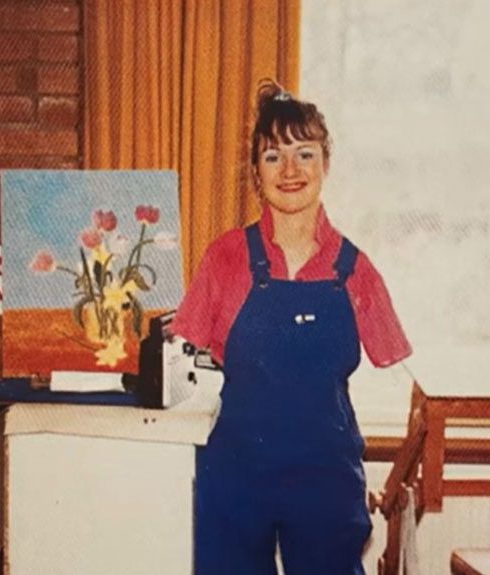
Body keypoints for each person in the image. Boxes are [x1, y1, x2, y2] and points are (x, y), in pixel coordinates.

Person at [171, 80, 412, 575]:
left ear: (326, 163)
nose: (291, 170)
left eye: (305, 154)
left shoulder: (355, 269)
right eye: (273, 156)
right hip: (237, 476)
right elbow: (182, 356)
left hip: (325, 480)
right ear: (255, 173)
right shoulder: (224, 259)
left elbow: (402, 369)